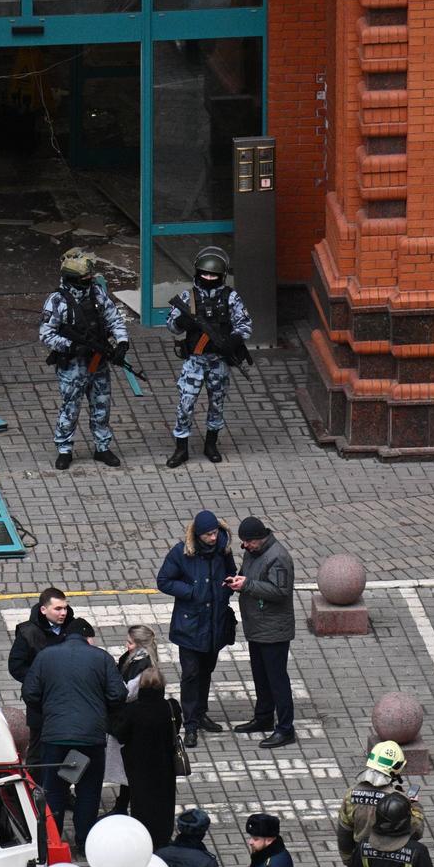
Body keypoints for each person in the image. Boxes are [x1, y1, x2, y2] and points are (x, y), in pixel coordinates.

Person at [20, 629, 126, 845]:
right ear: (88, 638)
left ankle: (52, 838)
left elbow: (29, 692)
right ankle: (85, 839)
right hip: (90, 739)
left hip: (55, 737)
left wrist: (48, 711)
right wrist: (100, 710)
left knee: (55, 788)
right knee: (88, 790)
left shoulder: (46, 656)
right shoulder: (102, 657)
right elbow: (118, 694)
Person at [39, 247, 129, 471]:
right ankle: (64, 449)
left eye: (90, 277)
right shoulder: (57, 301)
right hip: (73, 366)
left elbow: (114, 320)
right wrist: (71, 346)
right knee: (70, 408)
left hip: (98, 362)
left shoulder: (97, 294)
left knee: (101, 405)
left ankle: (102, 447)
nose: (89, 281)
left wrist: (122, 342)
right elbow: (46, 334)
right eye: (84, 278)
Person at [165, 246, 252, 467]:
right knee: (186, 403)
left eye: (213, 275)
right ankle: (181, 447)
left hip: (218, 362)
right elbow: (172, 326)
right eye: (205, 274)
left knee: (217, 403)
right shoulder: (188, 297)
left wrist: (231, 342)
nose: (209, 278)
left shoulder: (230, 297)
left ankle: (211, 444)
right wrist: (181, 322)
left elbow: (245, 325)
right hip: (195, 361)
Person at [157, 510, 237, 747]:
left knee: (206, 671)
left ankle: (201, 713)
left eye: (214, 533)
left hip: (215, 622)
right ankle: (190, 724)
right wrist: (191, 592)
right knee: (191, 675)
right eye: (208, 535)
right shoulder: (181, 553)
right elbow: (164, 581)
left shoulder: (223, 550)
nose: (212, 538)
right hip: (190, 626)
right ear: (197, 535)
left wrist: (230, 585)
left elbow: (231, 572)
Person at [227, 515, 297, 749]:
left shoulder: (278, 557)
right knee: (260, 675)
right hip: (257, 626)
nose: (244, 546)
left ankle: (286, 729)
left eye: (248, 542)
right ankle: (264, 717)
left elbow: (281, 591)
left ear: (260, 538)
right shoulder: (253, 552)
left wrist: (247, 585)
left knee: (277, 680)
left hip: (274, 630)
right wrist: (237, 580)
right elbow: (248, 574)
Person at [112, 667, 179, 847]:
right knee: (164, 801)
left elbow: (121, 735)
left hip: (138, 766)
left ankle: (143, 837)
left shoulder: (133, 711)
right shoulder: (171, 707)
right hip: (165, 765)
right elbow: (175, 731)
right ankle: (163, 837)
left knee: (141, 802)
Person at [110, 625, 160, 816]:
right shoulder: (136, 659)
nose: (126, 645)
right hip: (133, 718)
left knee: (130, 767)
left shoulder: (142, 666)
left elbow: (128, 693)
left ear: (140, 646)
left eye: (130, 642)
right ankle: (123, 803)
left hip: (133, 721)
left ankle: (124, 804)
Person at [8, 588, 96, 692]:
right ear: (43, 610)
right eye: (58, 609)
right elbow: (16, 666)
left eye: (65, 608)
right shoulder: (28, 632)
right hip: (43, 692)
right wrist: (42, 681)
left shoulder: (75, 627)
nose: (63, 613)